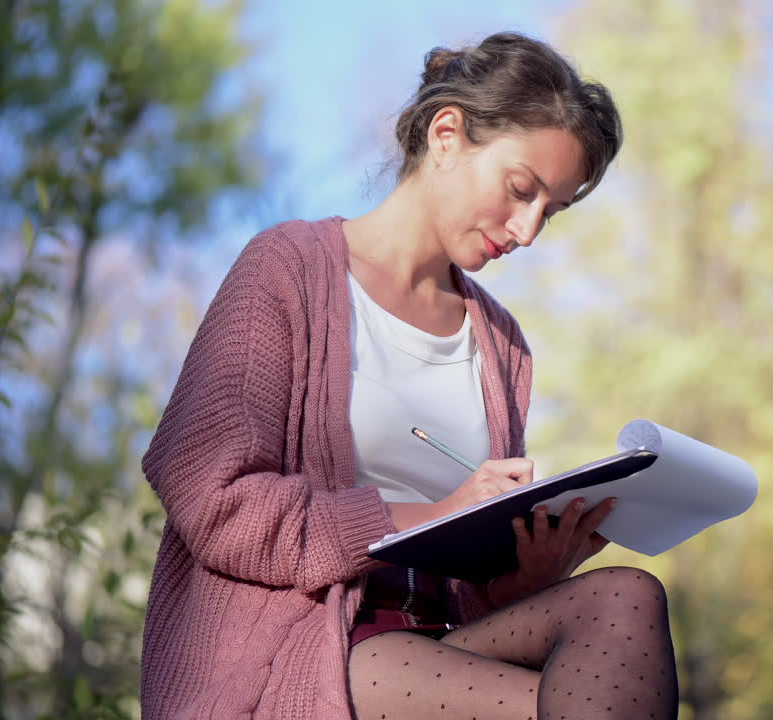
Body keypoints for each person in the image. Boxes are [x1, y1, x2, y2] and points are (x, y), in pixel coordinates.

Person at [139, 31, 677, 720]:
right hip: (299, 650)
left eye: (554, 209)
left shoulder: (501, 343)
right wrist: (425, 515)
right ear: (447, 134)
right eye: (521, 190)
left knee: (626, 594)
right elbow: (212, 497)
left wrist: (526, 575)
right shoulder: (286, 270)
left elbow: (464, 582)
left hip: (437, 643)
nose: (529, 230)